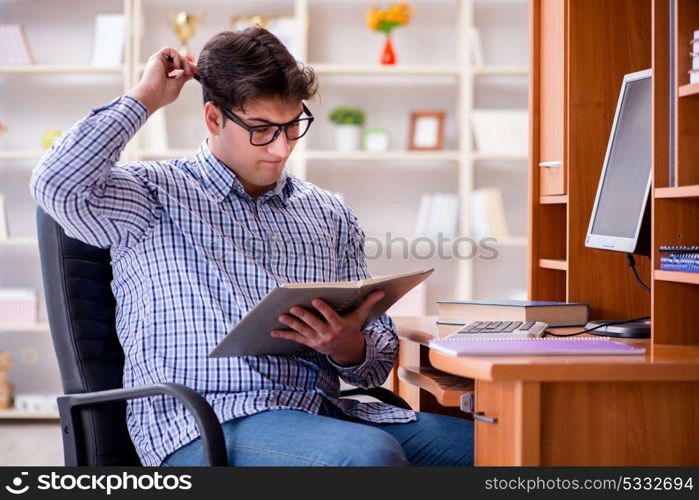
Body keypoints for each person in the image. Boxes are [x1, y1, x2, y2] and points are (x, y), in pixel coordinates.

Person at [30, 27, 473, 466]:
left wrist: (348, 346)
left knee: (495, 447)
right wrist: (147, 96)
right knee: (366, 457)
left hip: (322, 413)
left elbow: (374, 361)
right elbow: (55, 185)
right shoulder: (149, 194)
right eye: (261, 129)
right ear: (213, 119)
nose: (281, 148)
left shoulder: (328, 211)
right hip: (204, 425)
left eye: (293, 125)